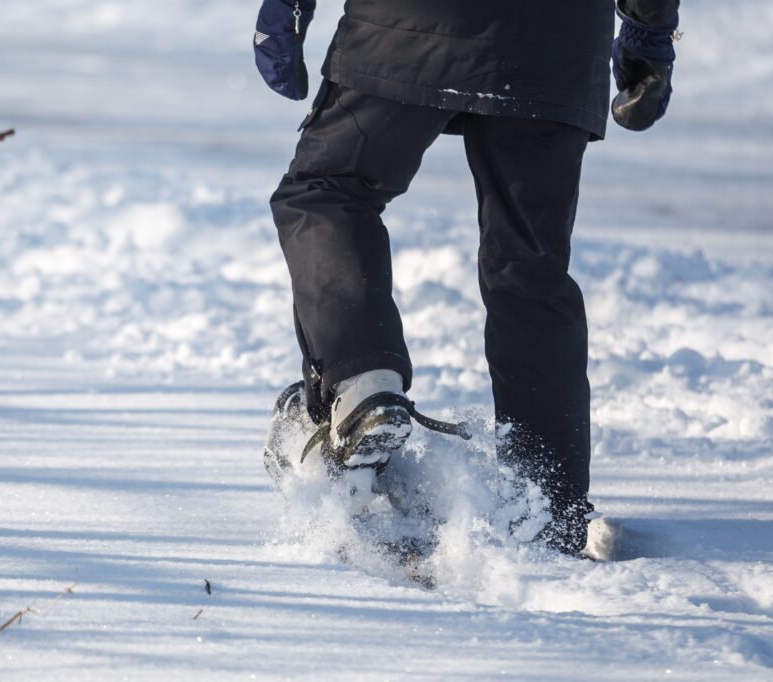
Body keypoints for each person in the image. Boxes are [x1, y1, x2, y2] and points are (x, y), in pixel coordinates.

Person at [254, 0, 681, 555]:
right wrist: (650, 31)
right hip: (559, 41)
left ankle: (362, 382)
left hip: (410, 25)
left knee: (327, 192)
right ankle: (547, 507)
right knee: (530, 267)